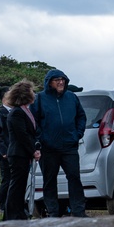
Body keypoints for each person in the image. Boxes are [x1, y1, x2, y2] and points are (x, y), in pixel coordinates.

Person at [31, 69, 87, 218]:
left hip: (69, 146)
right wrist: (41, 139)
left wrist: (77, 134)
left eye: (63, 79)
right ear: (49, 82)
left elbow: (81, 117)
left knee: (74, 178)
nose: (61, 82)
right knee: (49, 181)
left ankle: (79, 211)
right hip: (48, 148)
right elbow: (34, 121)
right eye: (57, 80)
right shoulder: (40, 99)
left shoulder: (72, 97)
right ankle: (53, 213)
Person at [3, 80, 40, 221]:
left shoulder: (25, 110)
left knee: (20, 185)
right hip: (18, 153)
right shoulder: (17, 113)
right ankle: (12, 215)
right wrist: (33, 151)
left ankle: (18, 213)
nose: (34, 94)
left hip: (23, 154)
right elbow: (22, 135)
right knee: (16, 186)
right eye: (31, 91)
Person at [0, 85, 12, 216]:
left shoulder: (15, 111)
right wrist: (3, 151)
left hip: (16, 150)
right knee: (6, 178)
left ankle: (12, 203)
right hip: (5, 152)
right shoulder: (0, 112)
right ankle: (3, 204)